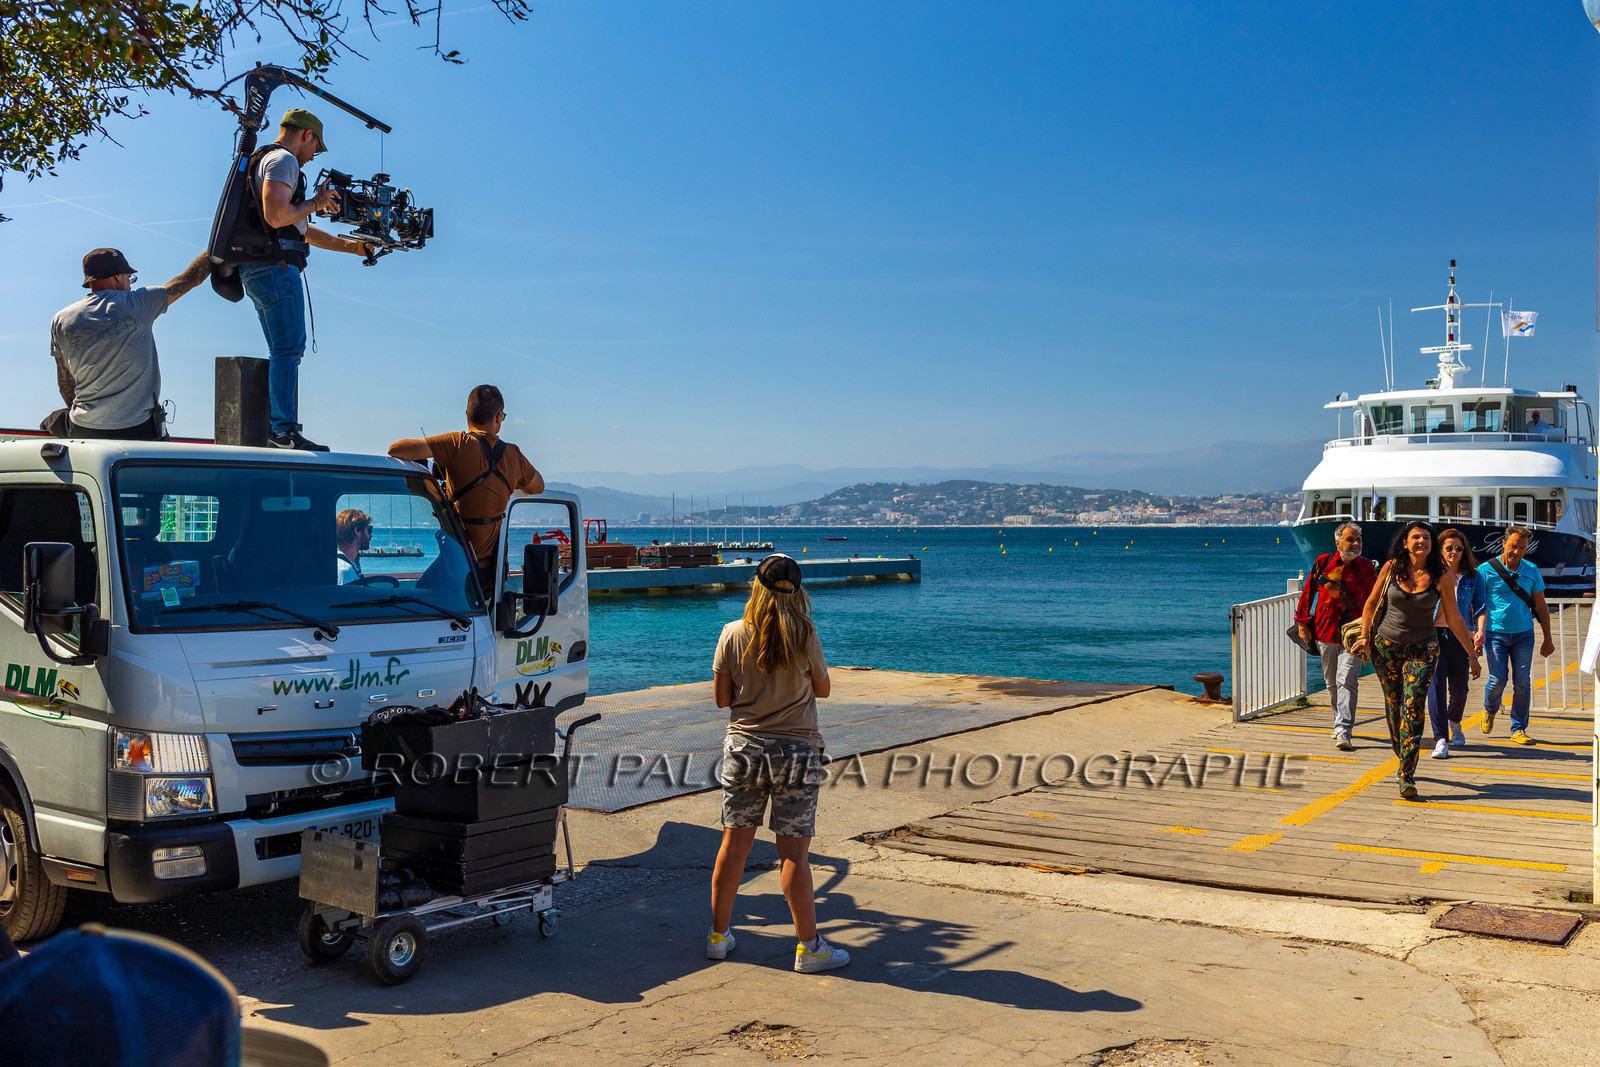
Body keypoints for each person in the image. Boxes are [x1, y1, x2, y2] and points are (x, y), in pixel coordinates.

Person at [707, 553, 849, 974]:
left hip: (745, 749)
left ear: (756, 585)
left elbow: (721, 699)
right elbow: (823, 690)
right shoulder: (805, 633)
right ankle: (809, 948)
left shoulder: (732, 633)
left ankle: (718, 937)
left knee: (733, 847)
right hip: (796, 753)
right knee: (793, 854)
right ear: (797, 590)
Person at [239, 108, 375, 452]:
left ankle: (280, 430)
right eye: (316, 147)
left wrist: (355, 247)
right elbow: (277, 215)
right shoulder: (284, 161)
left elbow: (297, 228)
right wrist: (314, 201)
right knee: (289, 348)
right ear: (306, 135)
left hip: (261, 266)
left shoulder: (267, 160)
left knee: (282, 348)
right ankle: (283, 432)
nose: (314, 156)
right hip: (275, 267)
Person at [1353, 521, 1481, 799]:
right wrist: (1364, 636)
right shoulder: (1390, 568)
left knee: (1412, 705)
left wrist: (1471, 654)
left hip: (1423, 648)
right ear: (1405, 543)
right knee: (1394, 705)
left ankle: (1406, 774)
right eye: (1416, 537)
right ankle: (1403, 753)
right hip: (1386, 647)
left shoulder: (1441, 574)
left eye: (1426, 537)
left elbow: (1455, 617)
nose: (1421, 541)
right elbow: (1372, 603)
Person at [386, 385, 545, 596]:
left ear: (467, 414)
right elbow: (539, 486)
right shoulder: (514, 456)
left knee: (419, 597)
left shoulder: (456, 444)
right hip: (492, 575)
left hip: (456, 568)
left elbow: (395, 449)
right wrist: (511, 479)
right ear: (498, 417)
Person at [51, 247, 211, 440]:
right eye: (129, 279)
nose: (130, 285)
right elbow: (190, 278)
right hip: (138, 429)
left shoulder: (61, 319)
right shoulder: (139, 302)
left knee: (52, 421)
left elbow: (65, 383)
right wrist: (219, 242)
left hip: (84, 427)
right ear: (118, 276)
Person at [1295, 522, 1376, 750]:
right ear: (1338, 542)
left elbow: (1374, 600)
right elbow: (1308, 591)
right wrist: (1302, 622)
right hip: (1325, 631)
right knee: (1331, 682)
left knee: (1347, 679)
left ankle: (1344, 729)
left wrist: (1371, 631)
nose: (1356, 544)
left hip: (1354, 634)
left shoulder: (1367, 567)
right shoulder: (1323, 562)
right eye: (1351, 539)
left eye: (1359, 540)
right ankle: (1337, 721)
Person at [1478, 526, 1554, 745]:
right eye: (1513, 546)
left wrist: (1547, 638)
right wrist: (1476, 633)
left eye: (1522, 547)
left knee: (1522, 682)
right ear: (1503, 543)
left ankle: (1518, 728)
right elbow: (1477, 604)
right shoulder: (1486, 569)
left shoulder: (1531, 570)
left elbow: (1540, 606)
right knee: (1498, 679)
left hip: (1523, 635)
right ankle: (1490, 709)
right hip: (1495, 634)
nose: (1516, 551)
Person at [1427, 528, 1487, 759]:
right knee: (1437, 687)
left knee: (1460, 688)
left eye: (1459, 548)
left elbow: (1480, 606)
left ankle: (1455, 721)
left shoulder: (1473, 576)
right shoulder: (1432, 574)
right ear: (1440, 550)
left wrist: (1480, 630)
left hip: (1461, 636)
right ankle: (1441, 738)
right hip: (1434, 635)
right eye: (1449, 548)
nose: (1454, 552)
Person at [336, 509, 373, 584]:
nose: (371, 535)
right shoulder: (345, 571)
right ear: (357, 531)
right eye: (369, 530)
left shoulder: (347, 564)